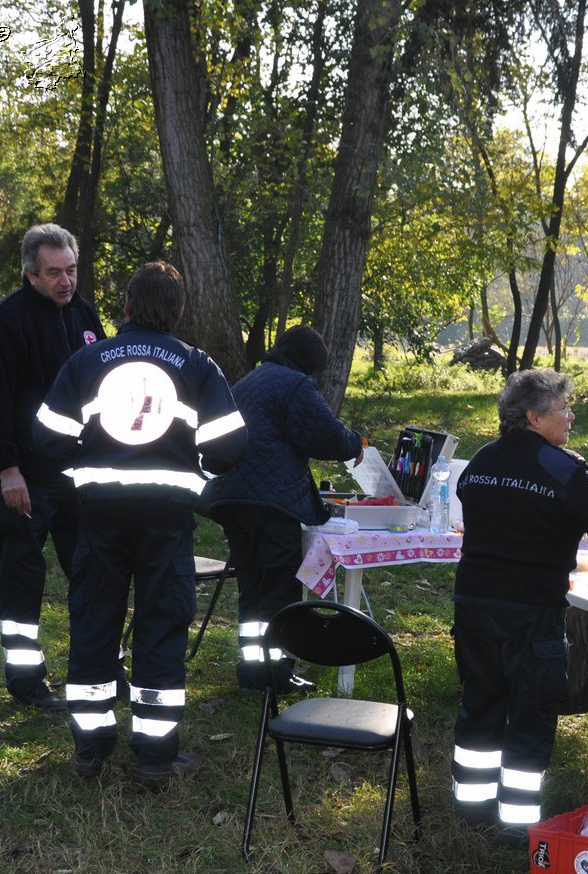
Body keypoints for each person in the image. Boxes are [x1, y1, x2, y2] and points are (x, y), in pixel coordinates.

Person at [32, 262, 247, 788]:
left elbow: (48, 438)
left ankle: (90, 750)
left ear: (125, 308)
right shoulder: (197, 365)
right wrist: (195, 467)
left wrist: (84, 474)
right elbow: (230, 448)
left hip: (100, 519)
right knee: (161, 632)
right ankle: (155, 760)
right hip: (166, 523)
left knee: (93, 625)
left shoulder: (88, 360)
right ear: (178, 311)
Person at [450, 369, 588, 839]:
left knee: (480, 700)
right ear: (533, 417)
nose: (570, 417)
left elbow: (468, 503)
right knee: (531, 711)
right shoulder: (562, 467)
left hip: (474, 600)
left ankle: (471, 809)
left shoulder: (481, 461)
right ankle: (516, 823)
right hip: (531, 607)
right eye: (563, 409)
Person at [0, 223, 105, 711]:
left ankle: (97, 669)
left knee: (93, 576)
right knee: (23, 583)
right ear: (31, 274)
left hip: (81, 477)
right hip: (26, 478)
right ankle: (27, 682)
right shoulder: (5, 323)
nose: (65, 281)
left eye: (71, 270)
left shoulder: (86, 316)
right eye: (54, 273)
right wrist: (7, 469)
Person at [204, 325, 365, 690]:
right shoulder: (295, 385)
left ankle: (251, 671)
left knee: (252, 586)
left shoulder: (247, 382)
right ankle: (276, 673)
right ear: (309, 364)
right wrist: (355, 443)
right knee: (279, 590)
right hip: (272, 505)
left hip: (231, 497)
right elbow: (325, 436)